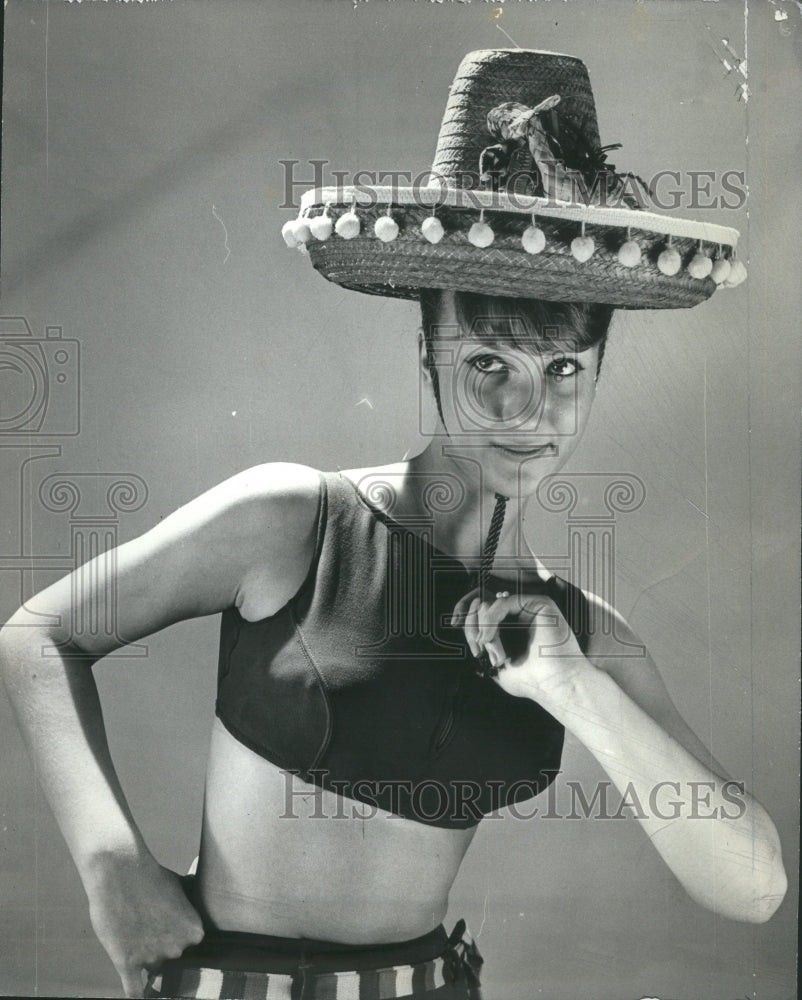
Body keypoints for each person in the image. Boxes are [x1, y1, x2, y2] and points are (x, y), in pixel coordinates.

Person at [0, 49, 786, 1000]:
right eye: (487, 363)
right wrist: (109, 868)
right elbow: (41, 633)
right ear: (426, 352)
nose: (525, 412)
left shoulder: (583, 632)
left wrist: (578, 694)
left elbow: (754, 888)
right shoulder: (295, 521)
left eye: (565, 371)